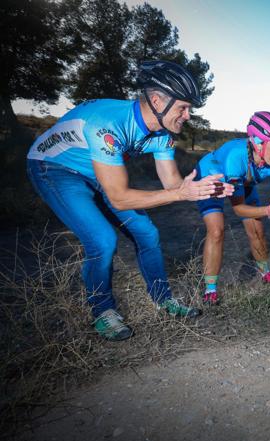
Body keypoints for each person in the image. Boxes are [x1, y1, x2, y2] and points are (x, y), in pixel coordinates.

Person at [26, 60, 234, 341]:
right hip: (55, 168)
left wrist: (202, 189)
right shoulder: (107, 125)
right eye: (183, 107)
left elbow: (173, 185)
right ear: (158, 100)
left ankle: (163, 300)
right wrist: (181, 193)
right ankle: (103, 312)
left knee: (147, 233)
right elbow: (120, 199)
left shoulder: (163, 134)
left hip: (98, 171)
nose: (187, 116)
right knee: (101, 240)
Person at [196, 111, 270, 304]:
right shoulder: (236, 156)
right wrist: (268, 210)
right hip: (212, 175)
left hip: (243, 180)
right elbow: (239, 208)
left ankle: (265, 273)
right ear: (258, 143)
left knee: (257, 229)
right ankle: (210, 289)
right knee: (216, 230)